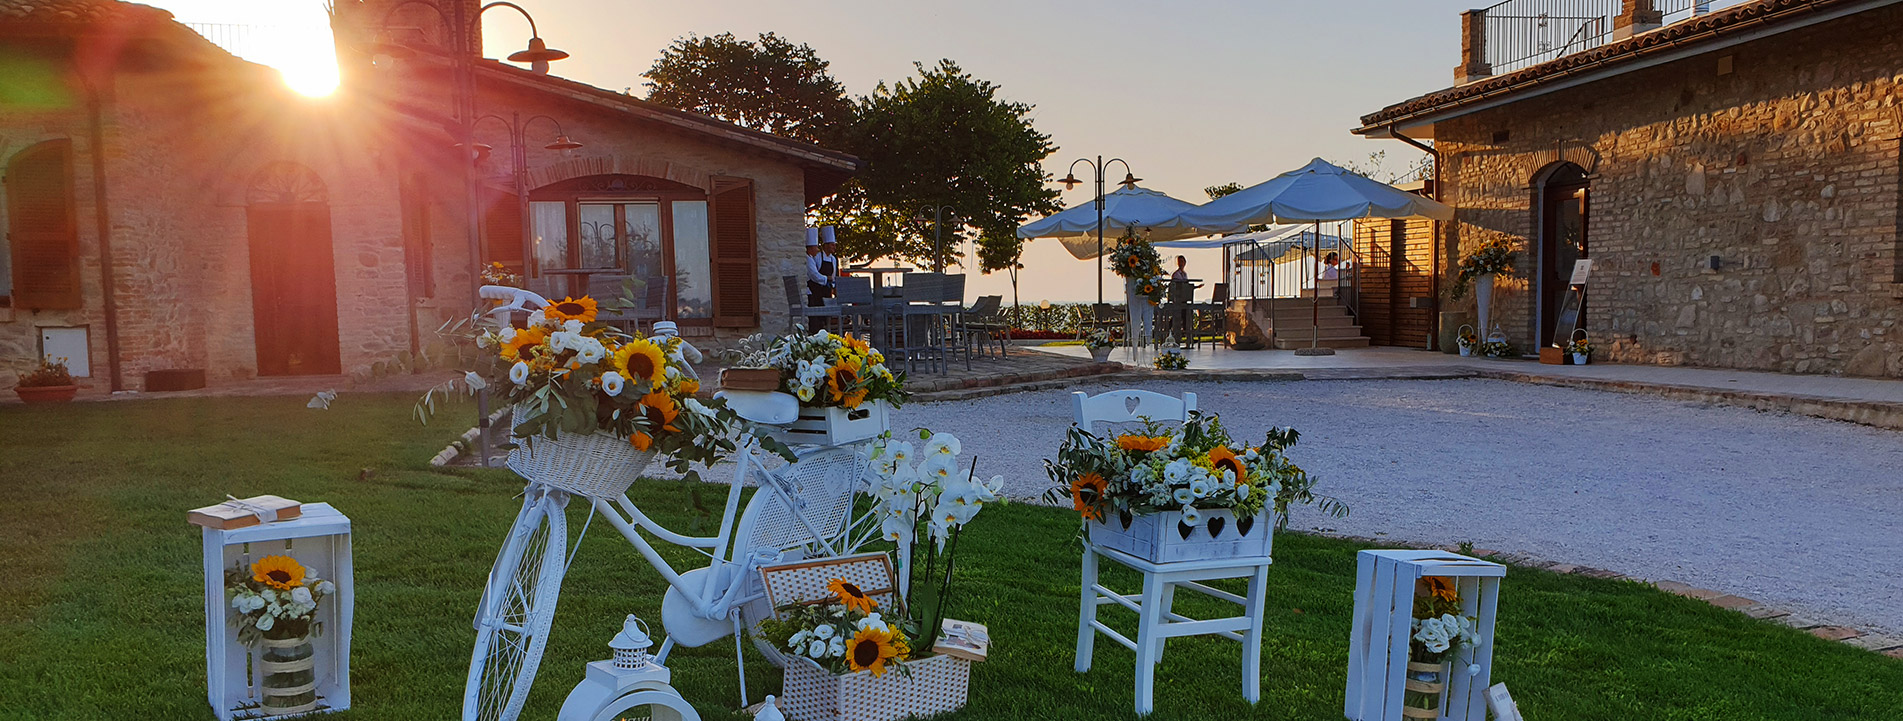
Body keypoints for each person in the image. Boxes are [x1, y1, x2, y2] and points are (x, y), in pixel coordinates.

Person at [805, 228, 835, 307]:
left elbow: (834, 275)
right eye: (832, 245)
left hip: (827, 290)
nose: (834, 247)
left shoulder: (833, 259)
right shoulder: (815, 258)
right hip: (817, 290)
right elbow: (814, 275)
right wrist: (826, 278)